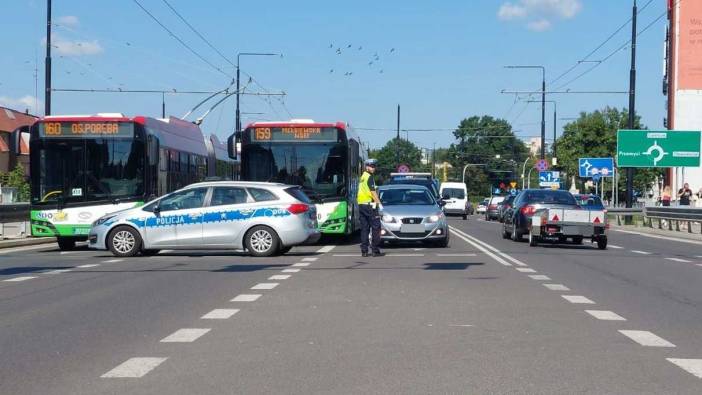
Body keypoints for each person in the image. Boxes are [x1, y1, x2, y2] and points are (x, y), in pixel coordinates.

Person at [357, 159, 383, 257]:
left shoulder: (362, 177)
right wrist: (379, 204)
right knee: (376, 227)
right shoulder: (369, 177)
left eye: (374, 166)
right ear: (367, 166)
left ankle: (364, 250)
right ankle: (375, 250)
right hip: (370, 205)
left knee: (364, 228)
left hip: (361, 205)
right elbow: (372, 192)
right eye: (371, 166)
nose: (373, 168)